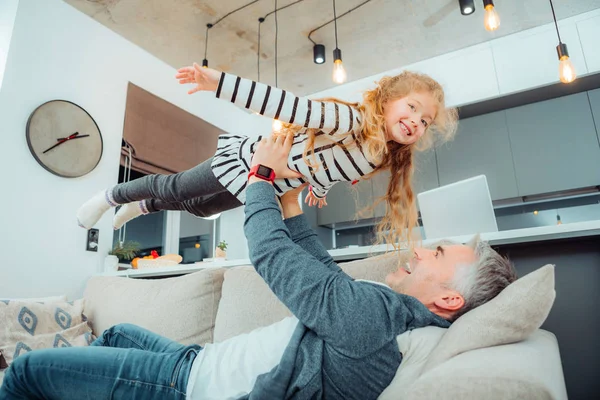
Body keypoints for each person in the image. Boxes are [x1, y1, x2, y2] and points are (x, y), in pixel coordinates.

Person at [1, 134, 517, 400]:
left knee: (24, 372)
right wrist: (290, 204)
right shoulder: (388, 320)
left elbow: (270, 255)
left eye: (439, 254)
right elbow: (323, 274)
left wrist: (262, 174)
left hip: (190, 387)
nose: (422, 249)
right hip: (198, 361)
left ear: (449, 299)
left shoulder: (376, 323)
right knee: (115, 335)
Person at [76, 62, 457, 248]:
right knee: (175, 186)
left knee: (202, 209)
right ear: (388, 101)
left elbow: (326, 167)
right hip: (248, 161)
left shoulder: (379, 155)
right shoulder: (351, 119)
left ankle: (142, 209)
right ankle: (108, 198)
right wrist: (219, 83)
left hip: (268, 186)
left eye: (424, 122)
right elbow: (289, 106)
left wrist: (320, 187)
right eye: (411, 108)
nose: (415, 122)